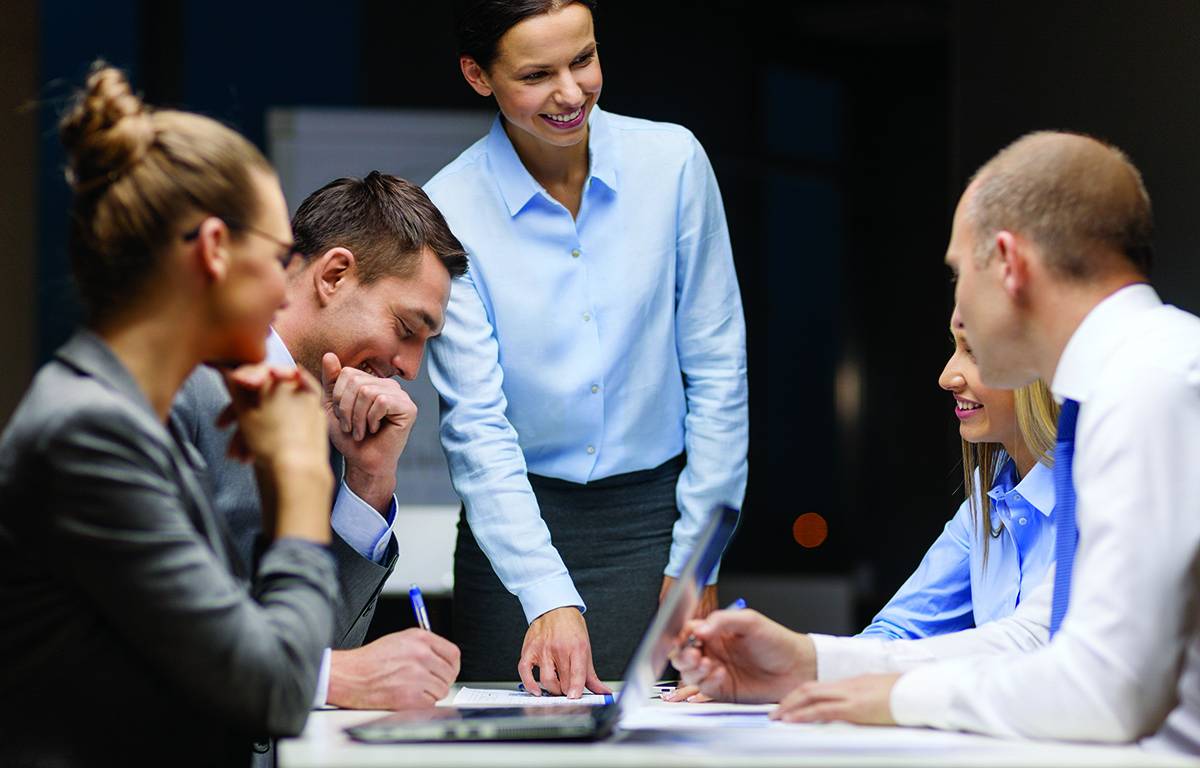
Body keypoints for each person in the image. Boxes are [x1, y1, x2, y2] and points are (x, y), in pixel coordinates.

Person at [674, 131, 1200, 755]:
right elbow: (1037, 632)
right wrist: (806, 661)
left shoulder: (1151, 382)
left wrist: (893, 700)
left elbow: (1108, 690)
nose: (957, 310)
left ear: (1009, 264)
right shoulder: (1144, 371)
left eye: (958, 272)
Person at [0, 64, 337, 765]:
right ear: (214, 249)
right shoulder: (88, 432)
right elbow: (272, 691)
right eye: (279, 257)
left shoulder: (132, 420)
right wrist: (303, 478)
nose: (285, 289)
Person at [423, 0, 748, 695]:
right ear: (478, 76)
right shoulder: (448, 209)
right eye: (537, 74)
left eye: (584, 59)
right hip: (512, 527)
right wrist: (543, 591)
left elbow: (718, 367)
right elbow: (476, 422)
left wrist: (699, 556)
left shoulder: (674, 164)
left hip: (655, 527)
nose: (571, 93)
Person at [173, 172, 467, 710]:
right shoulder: (179, 382)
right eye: (406, 327)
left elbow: (325, 647)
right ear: (333, 275)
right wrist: (330, 679)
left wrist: (370, 480)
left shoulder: (334, 420)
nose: (409, 366)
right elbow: (142, 623)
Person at [665, 308, 1059, 702]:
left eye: (972, 351)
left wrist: (801, 663)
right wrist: (778, 676)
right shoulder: (987, 502)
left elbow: (1032, 648)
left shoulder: (1096, 494)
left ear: (1039, 362)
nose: (946, 377)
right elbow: (897, 632)